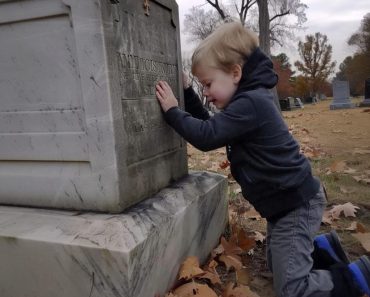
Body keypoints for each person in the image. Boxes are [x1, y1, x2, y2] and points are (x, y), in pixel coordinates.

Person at [155, 22, 370, 297]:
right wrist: (187, 93)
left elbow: (207, 136)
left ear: (235, 73)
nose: (206, 93)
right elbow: (210, 125)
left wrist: (173, 110)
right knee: (276, 263)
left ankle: (354, 277)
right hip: (281, 205)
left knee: (292, 289)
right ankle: (324, 251)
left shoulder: (251, 104)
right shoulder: (243, 102)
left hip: (295, 204)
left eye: (207, 85)